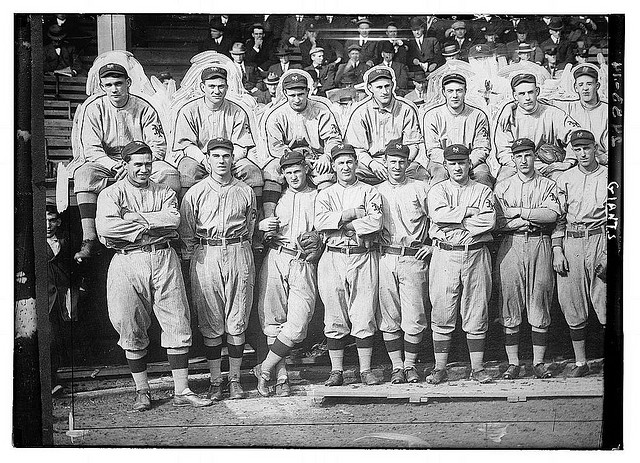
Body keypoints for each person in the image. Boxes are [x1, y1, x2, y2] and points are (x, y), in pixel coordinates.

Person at [96, 141, 212, 411]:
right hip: (127, 260)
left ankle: (182, 389)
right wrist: (150, 224)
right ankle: (142, 390)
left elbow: (173, 220)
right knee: (130, 324)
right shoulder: (111, 194)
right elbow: (107, 228)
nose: (144, 169)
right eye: (137, 164)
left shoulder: (164, 191)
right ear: (125, 165)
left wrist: (134, 218)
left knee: (177, 322)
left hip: (163, 257)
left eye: (148, 163)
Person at [69, 63, 181, 262]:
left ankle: (167, 232)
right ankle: (90, 237)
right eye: (108, 84)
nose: (114, 89)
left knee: (169, 174)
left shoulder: (144, 107)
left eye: (119, 83)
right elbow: (91, 148)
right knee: (84, 174)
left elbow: (157, 146)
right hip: (107, 162)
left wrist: (135, 164)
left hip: (140, 160)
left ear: (128, 83)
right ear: (102, 86)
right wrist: (115, 166)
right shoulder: (94, 108)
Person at [178, 137, 257, 400]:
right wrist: (194, 259)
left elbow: (251, 226)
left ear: (233, 159)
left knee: (237, 319)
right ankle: (215, 380)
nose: (221, 161)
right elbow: (187, 231)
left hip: (238, 250)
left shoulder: (245, 190)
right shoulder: (195, 192)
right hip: (206, 253)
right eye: (216, 156)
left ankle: (234, 380)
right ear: (208, 159)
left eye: (226, 156)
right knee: (211, 321)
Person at [425, 144, 496, 385]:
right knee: (442, 310)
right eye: (453, 162)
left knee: (477, 311)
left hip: (476, 253)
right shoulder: (438, 189)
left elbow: (488, 221)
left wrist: (454, 219)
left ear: (469, 164)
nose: (458, 167)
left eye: (462, 162)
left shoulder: (483, 190)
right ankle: (439, 368)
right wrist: (468, 214)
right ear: (445, 165)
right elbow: (438, 216)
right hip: (445, 254)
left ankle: (477, 368)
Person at [253, 151, 321, 397]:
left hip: (303, 261)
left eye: (298, 171)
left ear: (305, 170)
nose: (293, 176)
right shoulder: (275, 198)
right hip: (276, 255)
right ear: (283, 174)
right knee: (272, 322)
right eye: (288, 172)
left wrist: (319, 240)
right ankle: (282, 378)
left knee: (297, 324)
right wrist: (261, 228)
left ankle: (265, 368)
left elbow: (324, 228)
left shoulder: (318, 196)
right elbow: (254, 227)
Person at [314, 143, 383, 387]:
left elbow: (375, 222)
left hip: (362, 254)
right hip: (333, 255)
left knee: (364, 313)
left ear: (356, 164)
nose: (345, 167)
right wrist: (354, 213)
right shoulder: (325, 193)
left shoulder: (369, 191)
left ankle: (365, 369)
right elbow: (321, 222)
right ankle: (337, 371)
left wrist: (342, 223)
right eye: (340, 162)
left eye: (349, 162)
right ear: (333, 166)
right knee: (334, 314)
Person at [493, 138, 561, 380]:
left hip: (540, 242)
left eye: (528, 155)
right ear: (513, 159)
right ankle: (513, 363)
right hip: (511, 244)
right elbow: (499, 222)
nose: (524, 160)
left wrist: (521, 212)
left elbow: (551, 214)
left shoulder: (547, 184)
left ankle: (539, 362)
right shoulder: (502, 186)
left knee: (539, 298)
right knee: (510, 301)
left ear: (535, 157)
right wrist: (533, 217)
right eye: (519, 156)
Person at [552, 130, 607, 378]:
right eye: (577, 148)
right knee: (572, 303)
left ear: (595, 148)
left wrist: (610, 254)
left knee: (606, 301)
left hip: (600, 238)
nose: (583, 153)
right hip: (572, 240)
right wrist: (557, 249)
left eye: (586, 147)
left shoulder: (609, 176)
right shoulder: (565, 178)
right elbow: (558, 218)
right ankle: (581, 362)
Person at [376, 140, 432, 384]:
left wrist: (432, 244)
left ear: (408, 163)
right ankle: (396, 365)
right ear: (385, 163)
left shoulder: (421, 188)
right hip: (385, 255)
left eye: (401, 161)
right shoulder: (375, 190)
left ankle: (410, 365)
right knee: (388, 315)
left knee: (415, 315)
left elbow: (437, 219)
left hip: (412, 255)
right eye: (392, 161)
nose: (397, 166)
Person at [172, 66, 263, 203]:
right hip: (199, 157)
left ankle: (256, 215)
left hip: (229, 158)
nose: (217, 91)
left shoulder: (237, 111)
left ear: (227, 87)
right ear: (203, 87)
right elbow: (187, 145)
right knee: (188, 169)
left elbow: (242, 145)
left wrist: (229, 159)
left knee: (251, 171)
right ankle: (187, 213)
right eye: (212, 86)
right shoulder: (188, 110)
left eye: (221, 86)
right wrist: (205, 160)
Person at [262, 71, 342, 216]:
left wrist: (327, 156)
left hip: (316, 156)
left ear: (308, 91)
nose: (297, 99)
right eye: (292, 95)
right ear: (285, 93)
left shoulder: (321, 110)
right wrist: (298, 160)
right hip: (287, 157)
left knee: (324, 172)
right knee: (272, 170)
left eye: (301, 94)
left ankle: (327, 218)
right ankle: (269, 217)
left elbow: (333, 138)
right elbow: (275, 147)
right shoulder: (276, 114)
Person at [344, 66, 425, 185]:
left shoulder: (406, 109)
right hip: (371, 164)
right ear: (370, 88)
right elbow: (357, 149)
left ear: (392, 85)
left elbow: (413, 144)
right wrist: (372, 164)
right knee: (351, 178)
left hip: (400, 161)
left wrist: (402, 163)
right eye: (379, 87)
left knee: (422, 175)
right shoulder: (360, 112)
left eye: (387, 86)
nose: (384, 91)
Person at [493, 73, 579, 182]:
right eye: (522, 94)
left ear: (537, 91)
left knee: (561, 181)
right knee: (502, 182)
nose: (527, 98)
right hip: (517, 165)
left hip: (548, 166)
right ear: (515, 96)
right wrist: (527, 168)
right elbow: (503, 152)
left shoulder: (552, 113)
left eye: (530, 92)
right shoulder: (508, 117)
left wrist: (569, 161)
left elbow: (576, 135)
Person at [422, 73, 494, 188]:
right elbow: (433, 149)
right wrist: (451, 164)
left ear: (465, 91)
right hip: (442, 162)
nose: (455, 95)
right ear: (443, 92)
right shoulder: (432, 115)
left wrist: (466, 163)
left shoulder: (478, 115)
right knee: (440, 176)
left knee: (483, 176)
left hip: (471, 162)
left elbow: (482, 148)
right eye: (450, 91)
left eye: (459, 90)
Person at [46, 204, 82, 394]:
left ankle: (54, 377)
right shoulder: (29, 241)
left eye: (52, 220)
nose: (48, 225)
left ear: (58, 222)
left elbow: (75, 269)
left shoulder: (67, 241)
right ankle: (50, 381)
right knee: (48, 339)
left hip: (62, 297)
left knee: (60, 339)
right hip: (42, 298)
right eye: (44, 220)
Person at [554, 65, 608, 165]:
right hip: (572, 162)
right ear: (576, 88)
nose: (585, 88)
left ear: (597, 86)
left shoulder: (607, 111)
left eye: (589, 84)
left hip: (601, 163)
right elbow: (540, 102)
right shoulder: (568, 107)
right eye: (581, 84)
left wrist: (597, 160)